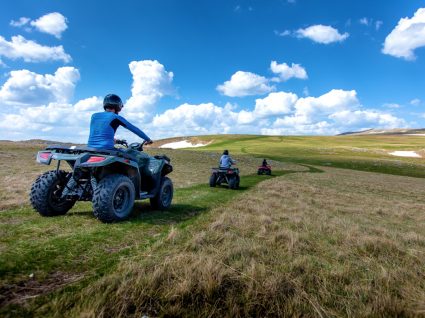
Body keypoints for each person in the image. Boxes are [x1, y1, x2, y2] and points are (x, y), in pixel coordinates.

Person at [87, 94, 153, 149]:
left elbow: (100, 134)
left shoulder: (94, 116)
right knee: (132, 156)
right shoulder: (115, 117)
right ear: (118, 105)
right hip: (107, 149)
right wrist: (148, 139)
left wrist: (115, 140)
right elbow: (134, 129)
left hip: (90, 148)